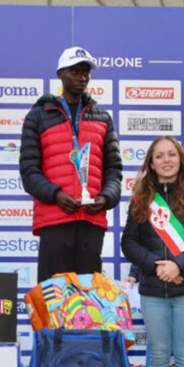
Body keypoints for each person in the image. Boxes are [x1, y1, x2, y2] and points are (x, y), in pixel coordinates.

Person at [121, 136, 184, 367]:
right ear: (151, 164)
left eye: (171, 154)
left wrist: (178, 265)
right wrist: (158, 266)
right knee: (158, 355)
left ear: (180, 158)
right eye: (160, 156)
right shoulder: (142, 198)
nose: (167, 160)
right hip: (153, 290)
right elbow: (129, 242)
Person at [19, 46, 122, 282]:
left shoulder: (102, 117)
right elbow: (29, 171)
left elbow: (114, 170)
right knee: (53, 295)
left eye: (86, 72)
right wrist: (55, 195)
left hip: (91, 219)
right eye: (75, 71)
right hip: (54, 218)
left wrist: (106, 198)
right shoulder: (38, 116)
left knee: (88, 302)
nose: (82, 77)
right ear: (60, 74)